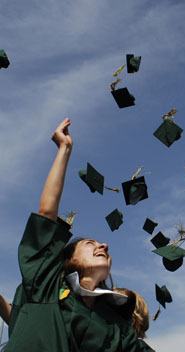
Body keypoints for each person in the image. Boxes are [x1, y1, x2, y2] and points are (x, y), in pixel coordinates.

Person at [5, 119, 152, 352]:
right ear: (68, 259)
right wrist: (64, 149)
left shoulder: (115, 323)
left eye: (100, 243)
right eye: (89, 243)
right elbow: (46, 213)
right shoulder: (47, 282)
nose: (103, 245)